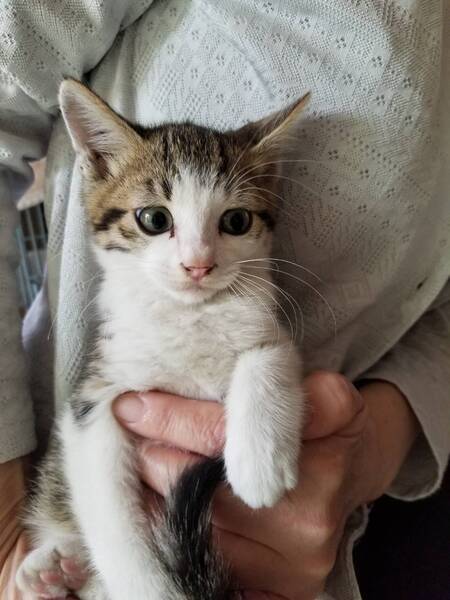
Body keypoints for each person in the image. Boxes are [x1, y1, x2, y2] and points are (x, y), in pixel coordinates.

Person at [0, 1, 449, 599]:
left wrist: (368, 454)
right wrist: (6, 542)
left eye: (234, 222)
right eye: (156, 220)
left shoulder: (250, 303)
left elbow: (269, 351)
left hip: (358, 520)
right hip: (75, 527)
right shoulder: (128, 313)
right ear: (101, 165)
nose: (197, 260)